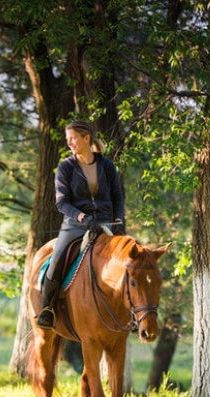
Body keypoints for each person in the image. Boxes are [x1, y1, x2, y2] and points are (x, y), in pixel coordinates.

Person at [36, 120, 126, 329]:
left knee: (131, 260)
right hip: (75, 224)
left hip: (107, 223)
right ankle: (47, 308)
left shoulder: (107, 166)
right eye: (68, 140)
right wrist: (83, 218)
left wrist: (119, 219)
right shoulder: (66, 167)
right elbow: (62, 203)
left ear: (86, 138)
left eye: (73, 138)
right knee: (57, 259)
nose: (70, 144)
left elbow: (117, 197)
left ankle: (128, 312)